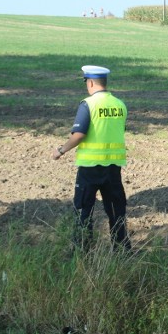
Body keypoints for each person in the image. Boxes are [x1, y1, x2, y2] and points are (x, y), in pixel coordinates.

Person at [52, 65, 131, 252]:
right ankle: (122, 252)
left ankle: (82, 252)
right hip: (113, 167)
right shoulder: (120, 105)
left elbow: (79, 134)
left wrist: (61, 150)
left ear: (91, 82)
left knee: (83, 211)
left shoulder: (88, 104)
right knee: (115, 212)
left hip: (90, 168)